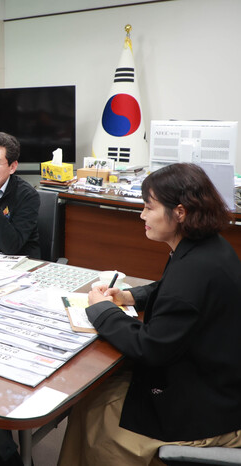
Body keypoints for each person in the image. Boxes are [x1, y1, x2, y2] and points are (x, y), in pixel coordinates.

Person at [58, 163, 241, 465]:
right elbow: (170, 290)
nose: (142, 215)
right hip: (212, 377)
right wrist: (131, 296)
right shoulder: (207, 247)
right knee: (92, 398)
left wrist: (101, 310)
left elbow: (150, 347)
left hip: (205, 405)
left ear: (179, 212)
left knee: (97, 418)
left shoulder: (193, 270)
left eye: (148, 207)